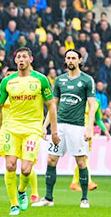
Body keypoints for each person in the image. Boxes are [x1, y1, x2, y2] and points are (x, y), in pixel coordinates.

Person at [0, 47, 59, 216]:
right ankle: (14, 205)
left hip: (33, 129)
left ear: (30, 60)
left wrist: (53, 130)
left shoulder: (40, 79)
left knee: (26, 169)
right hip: (11, 128)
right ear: (15, 60)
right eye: (18, 57)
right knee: (10, 165)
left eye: (24, 57)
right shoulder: (8, 82)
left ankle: (21, 190)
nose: (21, 59)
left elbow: (51, 105)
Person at [33, 49, 97, 209]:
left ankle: (84, 199)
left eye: (73, 58)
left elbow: (92, 105)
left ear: (79, 60)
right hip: (59, 126)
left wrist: (89, 128)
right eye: (68, 58)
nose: (70, 60)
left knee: (81, 162)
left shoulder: (87, 80)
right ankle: (48, 198)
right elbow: (53, 105)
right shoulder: (60, 80)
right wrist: (45, 125)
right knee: (51, 160)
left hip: (77, 127)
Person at [0, 66, 41, 203]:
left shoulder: (23, 95)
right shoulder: (3, 94)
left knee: (26, 165)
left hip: (22, 132)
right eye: (6, 75)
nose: (9, 77)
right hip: (4, 133)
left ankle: (35, 192)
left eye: (11, 74)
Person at [69, 99, 110, 192]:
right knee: (83, 157)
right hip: (78, 131)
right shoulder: (79, 99)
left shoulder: (97, 102)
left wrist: (105, 131)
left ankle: (74, 183)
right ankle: (89, 181)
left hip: (89, 134)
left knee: (83, 158)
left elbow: (98, 119)